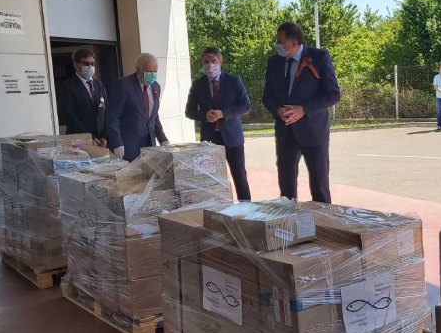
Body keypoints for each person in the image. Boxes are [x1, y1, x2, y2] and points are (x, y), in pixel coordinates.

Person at [262, 22, 340, 203]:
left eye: (280, 42)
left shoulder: (319, 58)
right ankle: (288, 219)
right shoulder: (274, 62)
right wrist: (278, 110)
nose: (277, 45)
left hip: (313, 130)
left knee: (319, 185)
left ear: (294, 43)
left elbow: (333, 94)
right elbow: (267, 96)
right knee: (286, 187)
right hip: (285, 131)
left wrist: (304, 109)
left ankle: (323, 220)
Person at [185, 47, 252, 201]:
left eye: (213, 61)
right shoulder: (198, 84)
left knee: (239, 176)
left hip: (232, 138)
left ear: (221, 62)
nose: (210, 65)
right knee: (213, 179)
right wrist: (205, 115)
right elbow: (189, 111)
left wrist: (223, 113)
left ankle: (247, 208)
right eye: (206, 62)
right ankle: (219, 208)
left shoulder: (234, 81)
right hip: (210, 140)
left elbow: (245, 105)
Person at [105, 53, 169, 161]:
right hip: (127, 146)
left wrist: (163, 140)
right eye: (149, 71)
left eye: (155, 71)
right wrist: (117, 143)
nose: (152, 75)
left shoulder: (156, 87)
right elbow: (112, 117)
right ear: (138, 70)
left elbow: (153, 117)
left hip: (149, 146)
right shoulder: (123, 85)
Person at [63, 48, 108, 146]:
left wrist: (105, 136)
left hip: (100, 141)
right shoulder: (68, 87)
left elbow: (106, 111)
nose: (90, 67)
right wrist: (90, 137)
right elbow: (71, 117)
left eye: (92, 64)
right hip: (79, 141)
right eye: (86, 64)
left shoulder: (99, 85)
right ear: (76, 65)